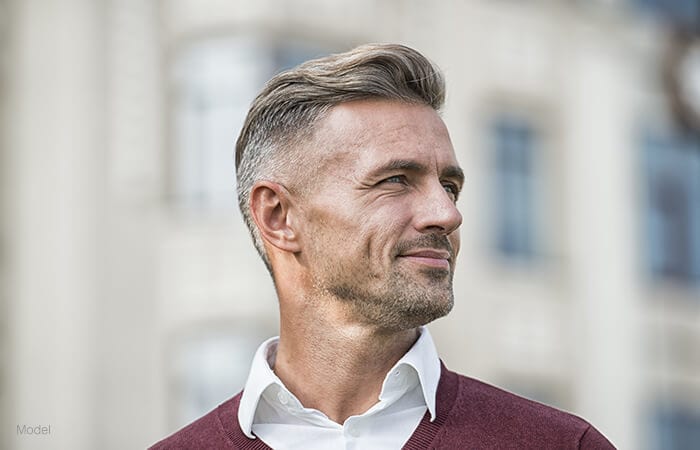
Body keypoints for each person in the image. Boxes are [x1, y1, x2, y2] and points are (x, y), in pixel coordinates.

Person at [150, 43, 615, 449]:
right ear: (279, 216)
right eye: (395, 180)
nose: (447, 214)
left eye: (450, 187)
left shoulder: (559, 444)